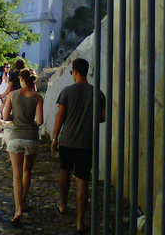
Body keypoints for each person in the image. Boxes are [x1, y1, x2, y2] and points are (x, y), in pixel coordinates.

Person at [51, 58, 106, 234]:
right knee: (82, 180)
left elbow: (60, 116)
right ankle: (80, 222)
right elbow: (102, 117)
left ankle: (63, 204)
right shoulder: (98, 93)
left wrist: (54, 138)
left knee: (65, 171)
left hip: (67, 141)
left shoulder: (67, 91)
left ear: (75, 72)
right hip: (86, 142)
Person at [3, 68, 44, 223]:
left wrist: (16, 119)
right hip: (31, 138)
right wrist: (30, 123)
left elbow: (6, 117)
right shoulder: (38, 97)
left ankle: (18, 208)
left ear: (21, 78)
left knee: (17, 173)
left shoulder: (12, 95)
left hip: (15, 137)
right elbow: (39, 121)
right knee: (27, 171)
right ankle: (24, 201)